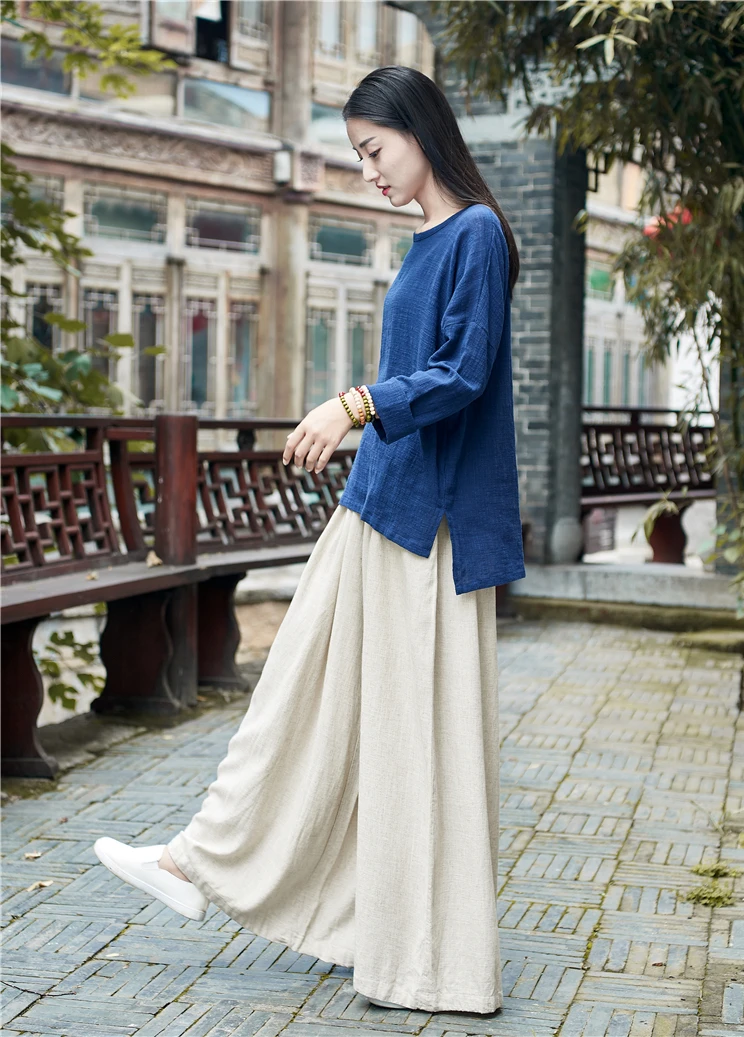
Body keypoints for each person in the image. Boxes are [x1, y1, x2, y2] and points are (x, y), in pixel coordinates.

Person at [93, 65, 525, 1016]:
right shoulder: (429, 238)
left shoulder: (477, 234)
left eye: (374, 150)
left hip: (426, 524)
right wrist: (360, 417)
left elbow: (462, 373)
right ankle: (211, 864)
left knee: (403, 735)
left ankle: (425, 957)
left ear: (421, 130)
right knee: (307, 704)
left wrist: (352, 403)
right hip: (378, 505)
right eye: (359, 156)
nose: (368, 171)